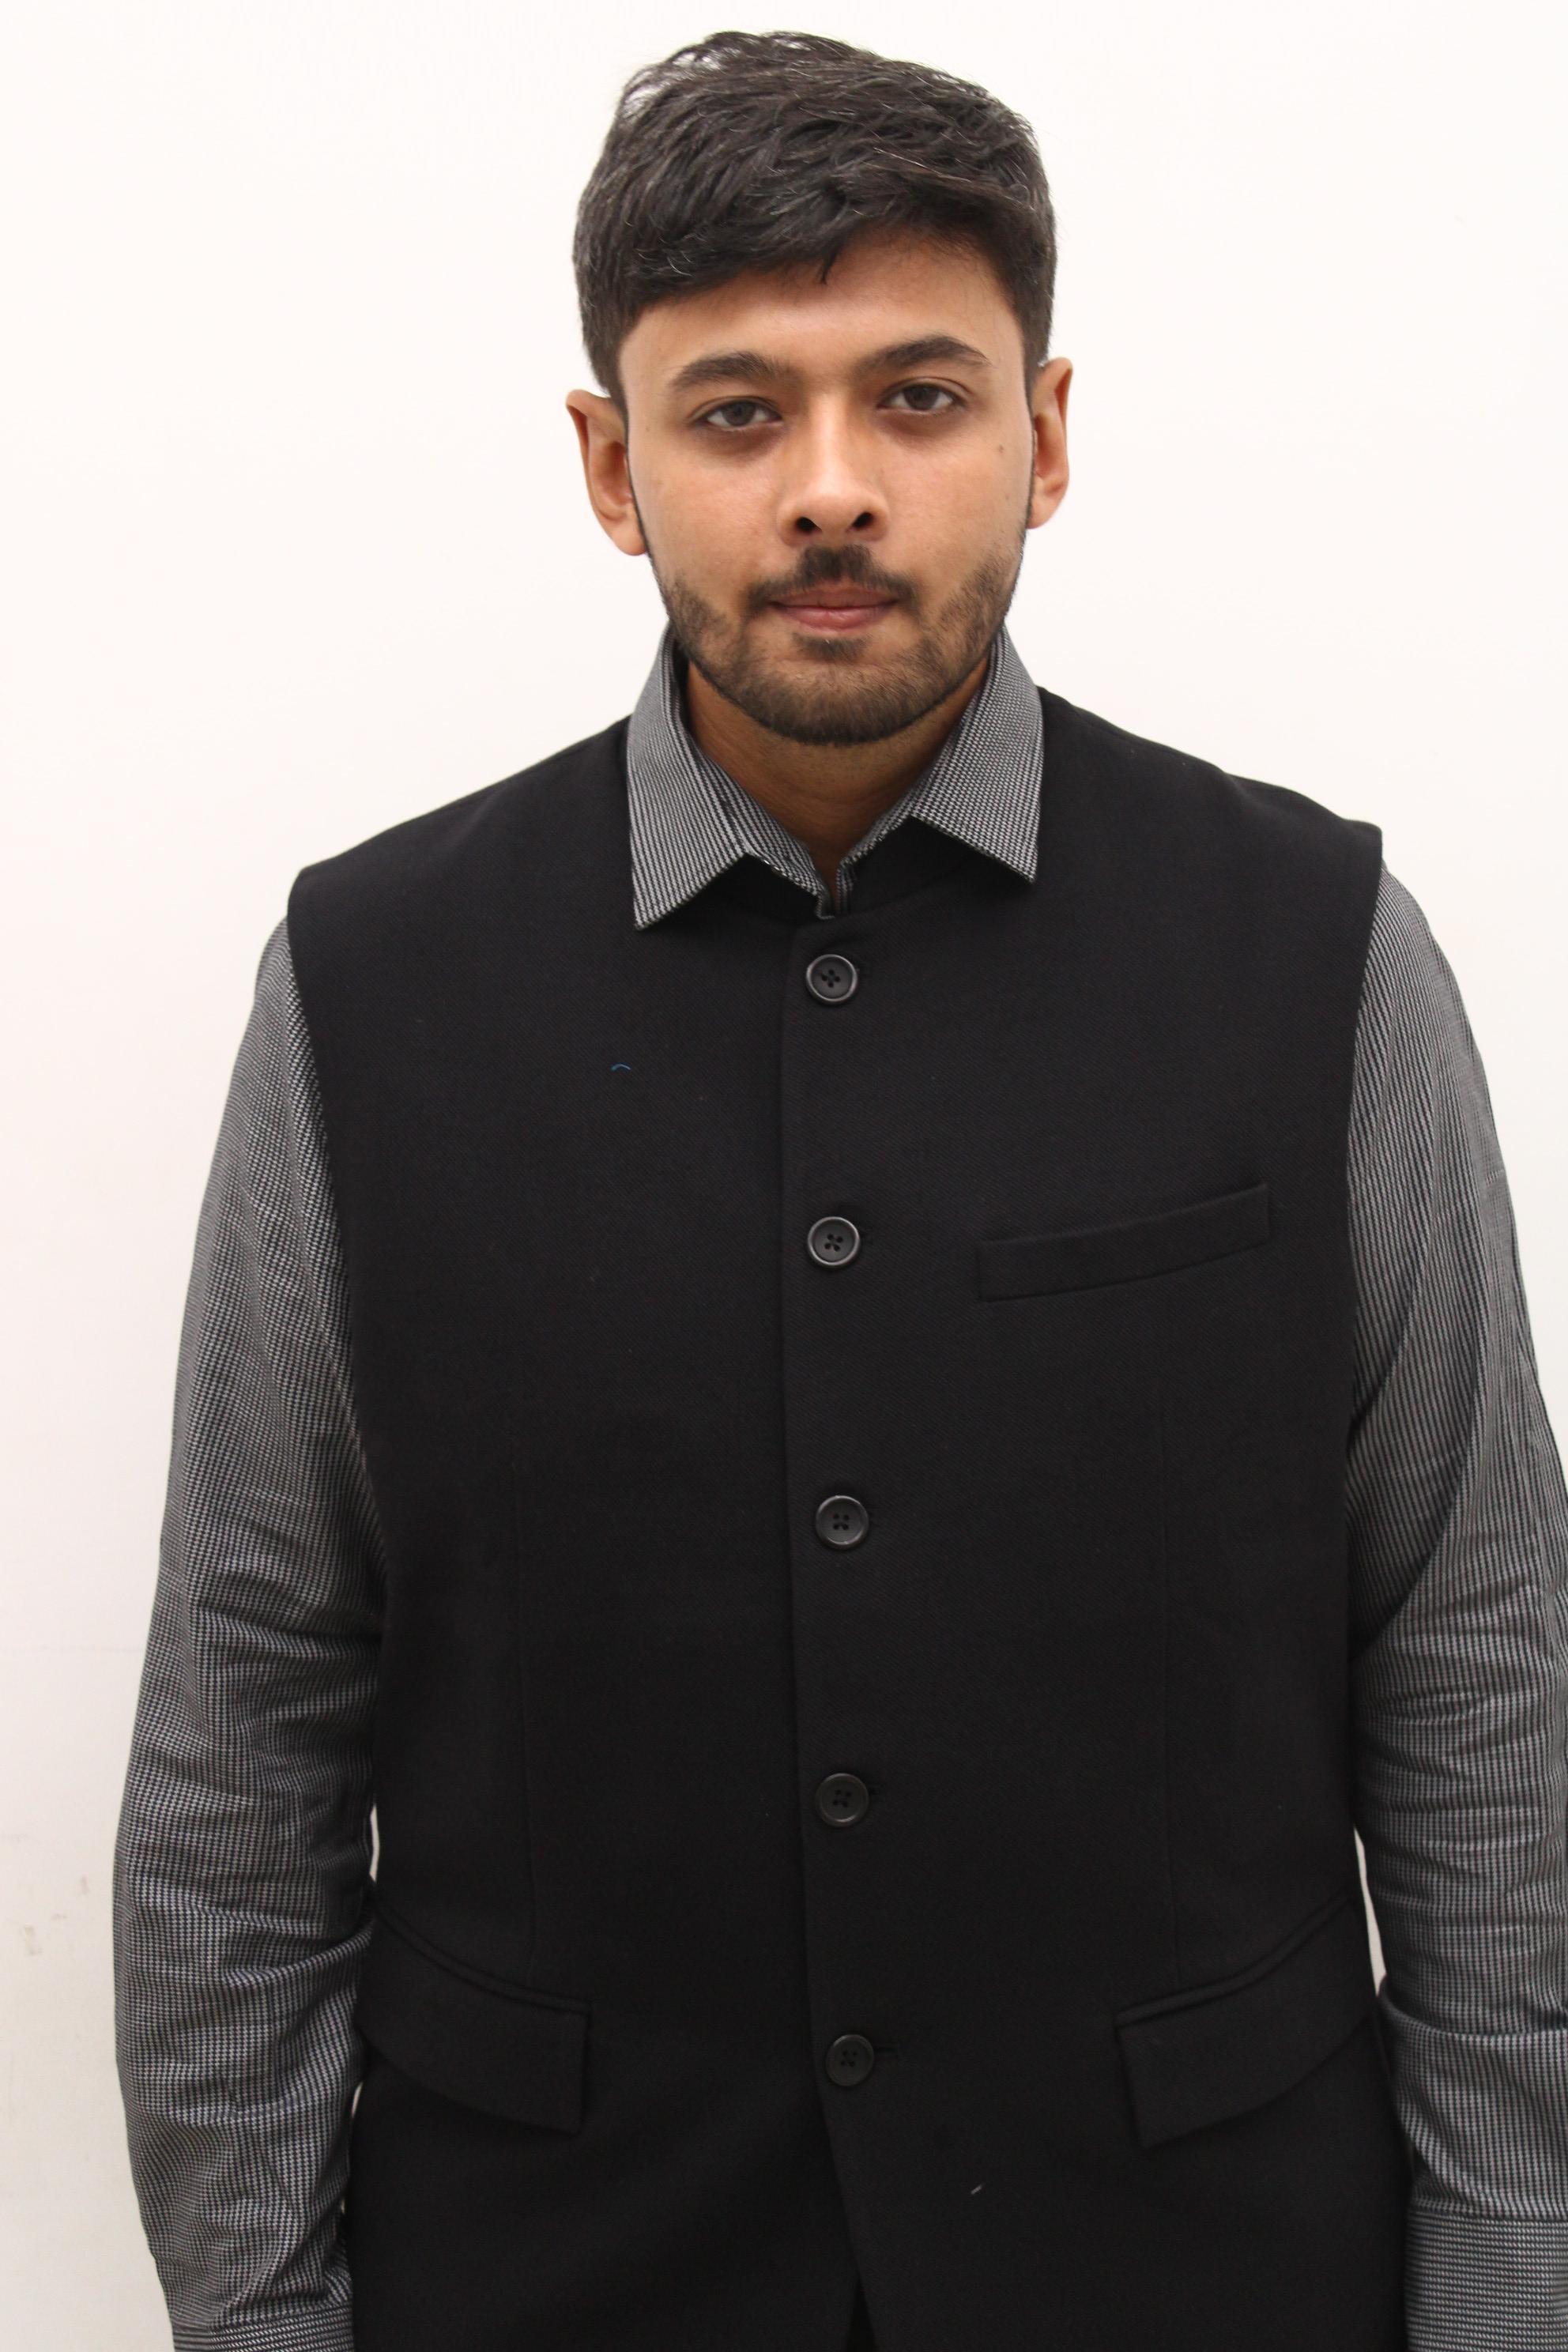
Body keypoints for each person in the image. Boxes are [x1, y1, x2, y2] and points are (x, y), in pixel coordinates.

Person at [112, 28, 1568, 2352]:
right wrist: (262, 2318)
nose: (830, 492)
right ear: (612, 466)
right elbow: (248, 1717)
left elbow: (1486, 1693)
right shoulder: (366, 985)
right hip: (558, 2276)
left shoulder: (1321, 954)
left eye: (917, 398)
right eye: (734, 413)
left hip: (1199, 2275)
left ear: (1045, 434)